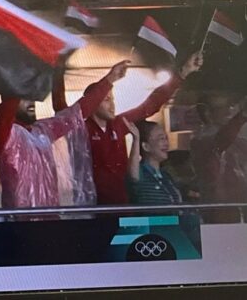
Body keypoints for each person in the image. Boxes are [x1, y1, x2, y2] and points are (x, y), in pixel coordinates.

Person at [52, 52, 203, 205]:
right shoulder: (82, 130)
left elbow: (150, 106)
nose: (112, 105)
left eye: (113, 99)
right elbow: (61, 111)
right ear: (94, 103)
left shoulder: (119, 124)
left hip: (123, 205)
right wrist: (57, 70)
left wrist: (182, 73)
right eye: (106, 100)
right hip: (93, 208)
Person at [0, 61, 130, 208]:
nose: (31, 102)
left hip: (51, 220)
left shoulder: (43, 131)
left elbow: (78, 112)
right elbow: (8, 104)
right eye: (23, 98)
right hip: (21, 224)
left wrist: (109, 79)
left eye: (32, 97)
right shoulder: (3, 134)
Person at [126, 120, 183, 205]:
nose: (166, 143)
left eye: (166, 138)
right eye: (161, 138)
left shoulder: (166, 175)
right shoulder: (141, 172)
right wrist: (136, 139)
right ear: (146, 146)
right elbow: (134, 177)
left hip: (171, 218)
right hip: (150, 218)